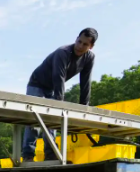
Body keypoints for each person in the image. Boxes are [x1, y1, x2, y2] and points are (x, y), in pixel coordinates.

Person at [22, 28, 97, 162]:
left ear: (91, 46)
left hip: (51, 88)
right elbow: (59, 77)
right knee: (34, 119)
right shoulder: (63, 52)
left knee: (52, 121)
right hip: (37, 84)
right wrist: (59, 104)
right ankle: (28, 154)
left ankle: (51, 153)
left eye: (85, 44)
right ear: (76, 38)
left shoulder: (89, 58)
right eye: (79, 41)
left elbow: (85, 83)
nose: (80, 46)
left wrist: (84, 109)